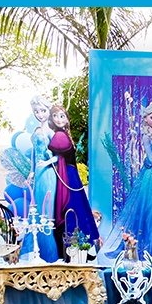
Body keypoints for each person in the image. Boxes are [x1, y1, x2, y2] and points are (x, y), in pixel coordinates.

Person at [99, 102, 152, 263]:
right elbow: (151, 160)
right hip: (151, 176)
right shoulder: (146, 137)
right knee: (149, 211)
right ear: (145, 118)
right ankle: (145, 251)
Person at [45, 105, 100, 258]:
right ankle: (82, 246)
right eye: (55, 116)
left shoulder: (60, 136)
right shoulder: (62, 134)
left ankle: (74, 246)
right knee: (78, 208)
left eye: (62, 116)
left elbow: (55, 153)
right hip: (70, 175)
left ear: (67, 119)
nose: (59, 119)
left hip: (67, 176)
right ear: (51, 119)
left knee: (71, 208)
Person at [22, 94, 58, 262]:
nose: (40, 114)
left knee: (46, 211)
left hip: (48, 174)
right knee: (35, 209)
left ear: (48, 110)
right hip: (38, 173)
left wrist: (47, 162)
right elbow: (34, 154)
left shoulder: (51, 131)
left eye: (43, 110)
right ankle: (35, 252)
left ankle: (49, 254)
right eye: (36, 111)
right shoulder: (36, 131)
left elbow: (59, 156)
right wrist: (32, 171)